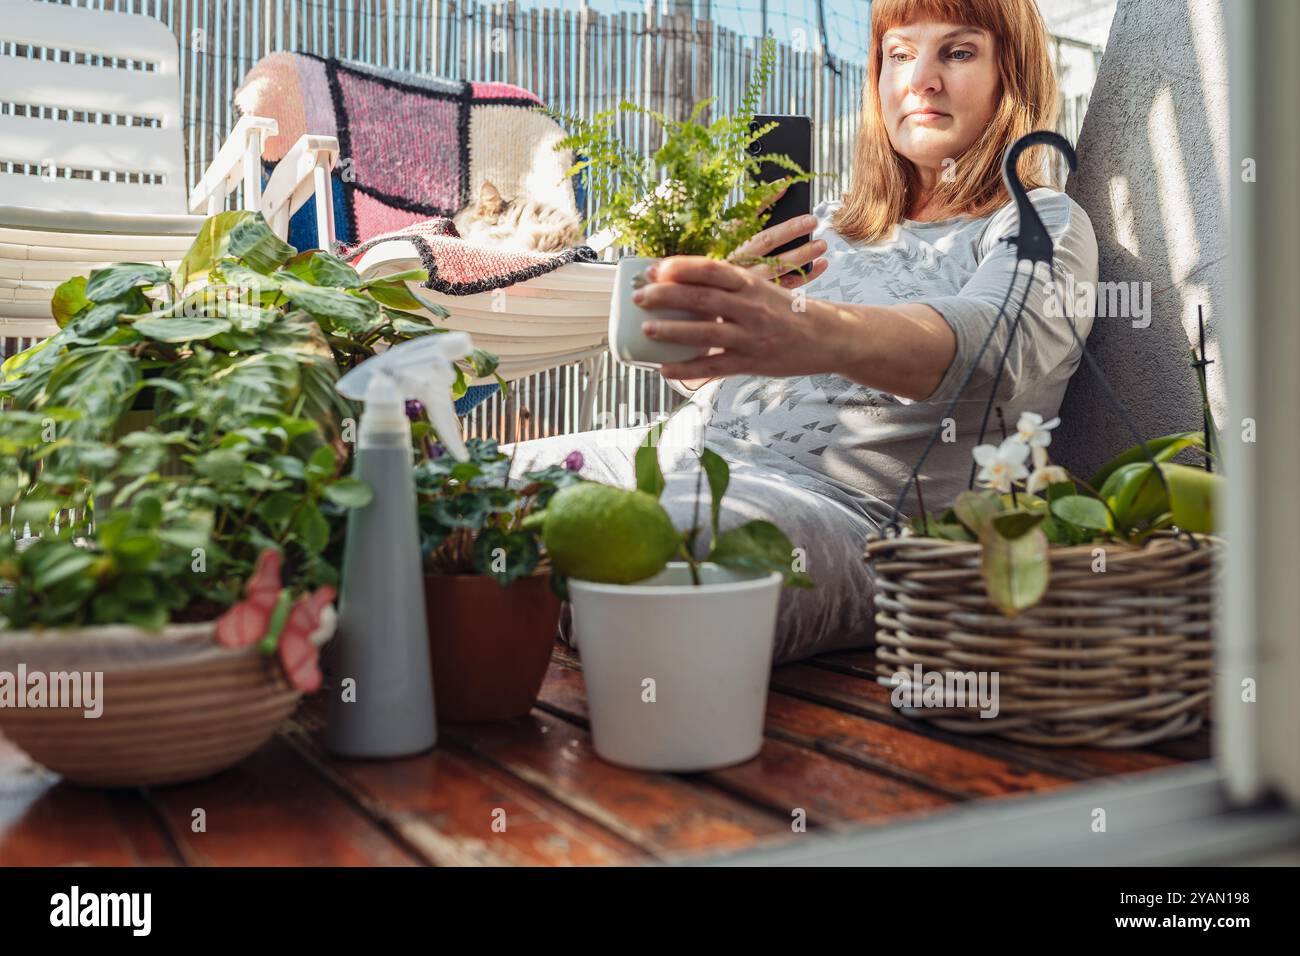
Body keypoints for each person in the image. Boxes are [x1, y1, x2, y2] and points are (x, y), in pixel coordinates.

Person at [501, 0, 1099, 664]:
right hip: (677, 454)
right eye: (898, 54)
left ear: (1010, 75)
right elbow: (747, 385)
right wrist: (704, 348)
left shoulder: (1041, 220)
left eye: (957, 53)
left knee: (658, 559)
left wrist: (812, 329)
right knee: (455, 486)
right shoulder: (830, 225)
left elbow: (997, 346)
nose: (920, 80)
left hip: (850, 515)